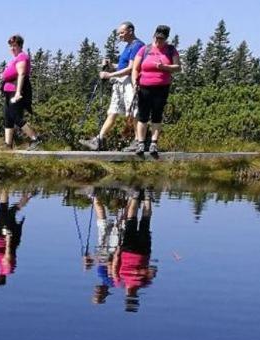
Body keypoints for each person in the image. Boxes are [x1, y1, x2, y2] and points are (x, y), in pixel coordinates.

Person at [79, 22, 144, 151]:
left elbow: (131, 68)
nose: (119, 36)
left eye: (122, 32)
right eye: (119, 33)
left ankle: (138, 140)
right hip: (120, 82)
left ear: (130, 31)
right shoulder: (128, 46)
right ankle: (99, 139)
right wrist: (111, 65)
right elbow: (123, 67)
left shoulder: (137, 46)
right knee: (113, 111)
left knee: (133, 111)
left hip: (129, 82)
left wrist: (109, 75)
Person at [126, 25, 180, 158]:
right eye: (157, 38)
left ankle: (154, 143)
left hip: (162, 87)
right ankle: (141, 143)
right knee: (143, 116)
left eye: (161, 39)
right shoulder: (145, 49)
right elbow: (135, 68)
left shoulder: (171, 50)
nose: (158, 41)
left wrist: (164, 67)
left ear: (166, 38)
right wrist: (134, 83)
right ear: (154, 36)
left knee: (157, 115)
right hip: (144, 86)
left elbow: (178, 67)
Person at [109, 188, 157, 311]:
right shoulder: (144, 283)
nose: (131, 294)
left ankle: (136, 197)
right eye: (133, 297)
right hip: (142, 252)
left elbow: (114, 266)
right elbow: (153, 271)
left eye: (130, 297)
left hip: (129, 251)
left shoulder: (119, 282)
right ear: (136, 297)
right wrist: (143, 272)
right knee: (144, 222)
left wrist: (117, 253)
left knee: (132, 221)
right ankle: (147, 197)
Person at [1, 34, 41, 150]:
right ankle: (8, 145)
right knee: (8, 117)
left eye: (14, 46)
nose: (12, 48)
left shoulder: (22, 57)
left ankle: (35, 139)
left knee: (16, 116)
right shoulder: (15, 59)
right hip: (9, 92)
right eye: (11, 46)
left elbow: (21, 74)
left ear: (20, 46)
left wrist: (18, 92)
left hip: (16, 91)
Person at [0, 189, 31, 285]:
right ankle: (27, 195)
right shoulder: (6, 269)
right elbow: (7, 254)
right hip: (5, 236)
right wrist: (8, 238)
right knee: (11, 212)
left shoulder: (2, 269)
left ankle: (5, 188)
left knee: (3, 209)